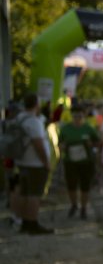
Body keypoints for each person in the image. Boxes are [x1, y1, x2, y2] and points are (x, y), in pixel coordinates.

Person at [12, 94, 53, 234]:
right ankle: (32, 223)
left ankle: (23, 222)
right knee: (34, 194)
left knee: (24, 192)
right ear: (36, 104)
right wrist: (46, 162)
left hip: (22, 161)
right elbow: (38, 144)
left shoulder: (20, 118)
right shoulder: (34, 122)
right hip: (35, 164)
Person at [59, 104, 100, 219]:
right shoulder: (66, 129)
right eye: (75, 116)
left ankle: (84, 208)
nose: (77, 119)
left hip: (86, 162)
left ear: (84, 117)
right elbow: (60, 143)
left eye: (80, 116)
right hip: (70, 161)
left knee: (85, 186)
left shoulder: (89, 128)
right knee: (71, 185)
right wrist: (62, 146)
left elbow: (97, 142)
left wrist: (91, 145)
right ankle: (73, 204)